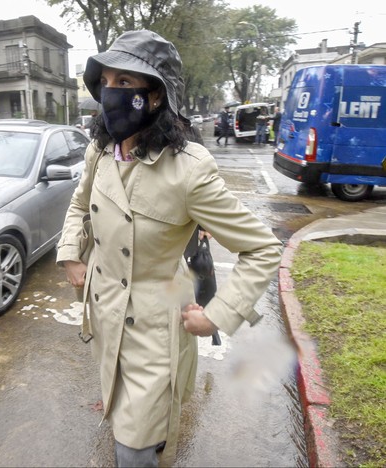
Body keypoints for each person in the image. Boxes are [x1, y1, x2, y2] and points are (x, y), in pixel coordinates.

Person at [56, 30, 283, 467]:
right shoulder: (99, 152)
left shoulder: (189, 171)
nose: (113, 93)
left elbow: (262, 248)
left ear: (156, 97)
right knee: (120, 404)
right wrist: (71, 253)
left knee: (134, 447)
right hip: (104, 312)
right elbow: (80, 204)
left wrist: (218, 314)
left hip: (155, 325)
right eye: (107, 81)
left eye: (127, 83)